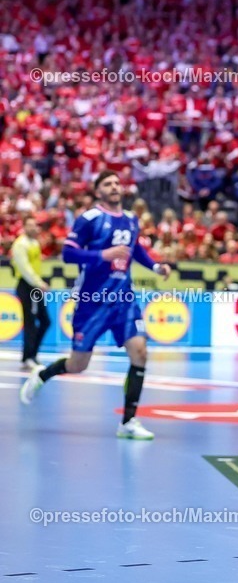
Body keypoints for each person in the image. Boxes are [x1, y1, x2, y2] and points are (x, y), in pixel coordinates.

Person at [20, 171, 171, 440]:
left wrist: (156, 266)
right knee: (78, 364)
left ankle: (128, 421)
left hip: (123, 299)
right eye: (107, 184)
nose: (114, 187)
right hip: (92, 302)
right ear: (98, 191)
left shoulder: (131, 220)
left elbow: (135, 249)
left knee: (140, 352)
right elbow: (68, 254)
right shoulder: (89, 218)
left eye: (117, 183)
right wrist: (103, 254)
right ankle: (43, 374)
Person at [11, 216, 50, 369]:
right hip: (27, 286)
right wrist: (39, 283)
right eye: (29, 225)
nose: (33, 228)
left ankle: (32, 354)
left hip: (35, 286)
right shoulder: (20, 244)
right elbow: (24, 268)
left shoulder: (35, 243)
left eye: (35, 225)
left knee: (45, 321)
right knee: (30, 322)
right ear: (24, 227)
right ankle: (28, 357)